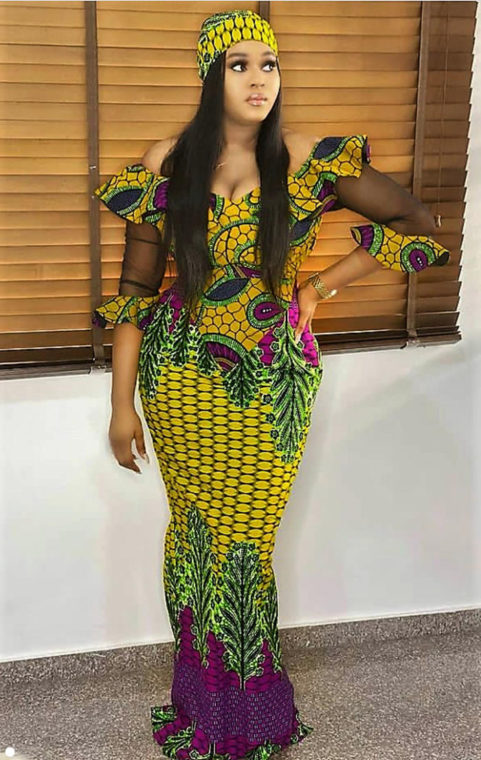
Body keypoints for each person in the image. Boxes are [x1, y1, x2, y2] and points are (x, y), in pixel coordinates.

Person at [91, 9, 450, 759]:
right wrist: (122, 406)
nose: (259, 79)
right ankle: (201, 707)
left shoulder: (308, 159)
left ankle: (250, 717)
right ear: (209, 75)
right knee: (192, 535)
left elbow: (419, 224)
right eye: (239, 64)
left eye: (269, 64)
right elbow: (135, 290)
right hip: (178, 374)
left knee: (246, 544)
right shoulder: (166, 163)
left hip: (270, 375)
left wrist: (318, 287)